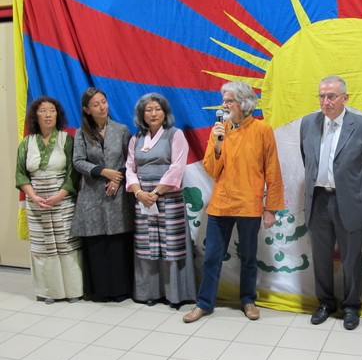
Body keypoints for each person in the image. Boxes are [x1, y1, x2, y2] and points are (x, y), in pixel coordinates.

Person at [183, 81, 284, 323]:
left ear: (245, 104)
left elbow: (273, 171)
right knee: (212, 257)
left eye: (229, 101)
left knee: (249, 256)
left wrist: (271, 208)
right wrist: (217, 144)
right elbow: (212, 170)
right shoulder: (219, 129)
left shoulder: (263, 130)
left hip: (249, 205)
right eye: (224, 100)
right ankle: (204, 303)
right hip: (221, 204)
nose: (224, 105)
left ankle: (248, 300)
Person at [299, 75, 362, 330]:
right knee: (321, 256)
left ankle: (351, 306)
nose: (326, 101)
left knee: (351, 259)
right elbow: (307, 160)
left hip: (349, 201)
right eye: (322, 96)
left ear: (345, 98)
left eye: (331, 96)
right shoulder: (308, 123)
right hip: (318, 200)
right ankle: (325, 303)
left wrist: (355, 192)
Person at [125, 93, 195, 309]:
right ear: (141, 115)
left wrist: (155, 193)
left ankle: (175, 294)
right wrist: (139, 193)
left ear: (165, 112)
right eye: (148, 110)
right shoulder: (136, 139)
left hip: (168, 198)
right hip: (143, 199)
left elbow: (177, 167)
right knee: (148, 246)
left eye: (157, 109)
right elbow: (129, 167)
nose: (153, 113)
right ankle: (150, 292)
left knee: (171, 245)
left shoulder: (175, 135)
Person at [15, 96, 83, 304]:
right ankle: (49, 292)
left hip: (61, 200)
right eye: (43, 110)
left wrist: (59, 195)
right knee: (43, 247)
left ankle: (73, 291)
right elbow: (20, 174)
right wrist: (33, 196)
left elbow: (73, 173)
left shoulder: (66, 139)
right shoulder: (26, 142)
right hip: (37, 202)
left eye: (52, 110)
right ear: (35, 115)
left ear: (57, 114)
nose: (47, 115)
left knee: (66, 244)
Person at [71, 87, 134, 302]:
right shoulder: (81, 133)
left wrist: (117, 178)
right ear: (87, 110)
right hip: (92, 195)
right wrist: (102, 171)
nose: (102, 107)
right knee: (97, 244)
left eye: (104, 102)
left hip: (117, 196)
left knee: (117, 243)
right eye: (96, 104)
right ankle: (99, 291)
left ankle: (121, 290)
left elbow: (130, 161)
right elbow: (78, 161)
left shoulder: (121, 129)